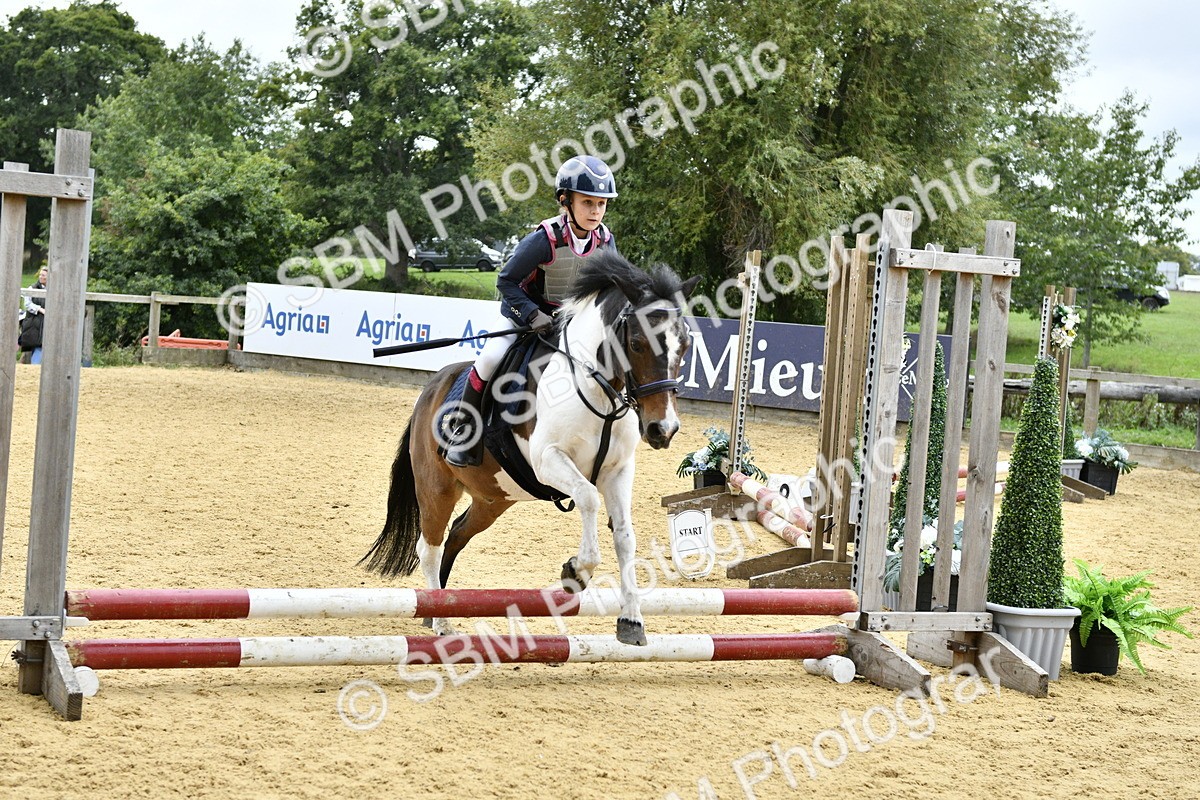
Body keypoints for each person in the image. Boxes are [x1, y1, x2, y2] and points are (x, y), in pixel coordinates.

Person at [444, 155, 619, 467]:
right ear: (566, 201)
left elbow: (610, 288)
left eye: (601, 204)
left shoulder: (605, 240)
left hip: (571, 324)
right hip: (525, 317)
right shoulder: (545, 239)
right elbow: (506, 281)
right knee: (489, 358)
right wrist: (531, 315)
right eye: (588, 202)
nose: (596, 211)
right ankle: (463, 432)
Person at [19, 266, 48, 364]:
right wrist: (40, 309)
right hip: (34, 322)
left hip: (45, 323)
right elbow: (27, 303)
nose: (41, 277)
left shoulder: (54, 289)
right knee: (37, 345)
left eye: (43, 275)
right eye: (40, 275)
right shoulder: (32, 288)